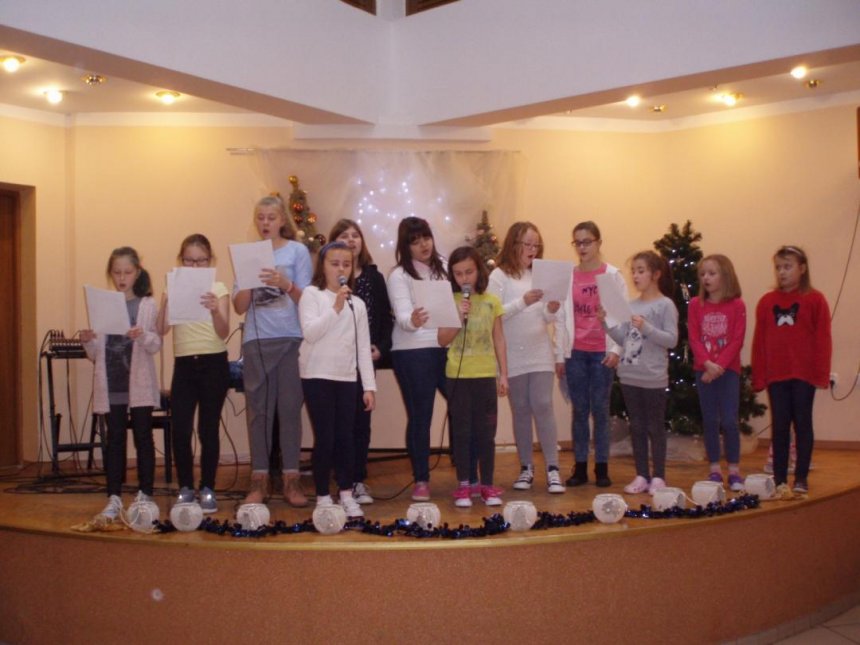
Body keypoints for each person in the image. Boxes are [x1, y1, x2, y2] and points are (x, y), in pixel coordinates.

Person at [233, 195, 312, 507]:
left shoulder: (297, 251)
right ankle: (260, 480)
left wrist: (285, 283)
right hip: (257, 340)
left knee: (290, 410)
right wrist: (249, 282)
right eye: (260, 217)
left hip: (290, 338)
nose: (265, 223)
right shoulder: (248, 253)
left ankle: (292, 480)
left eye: (271, 217)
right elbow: (239, 306)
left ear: (282, 221)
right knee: (259, 412)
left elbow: (308, 300)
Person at [80, 247, 161, 521]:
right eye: (117, 272)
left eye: (127, 272)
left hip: (139, 383)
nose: (122, 278)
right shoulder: (104, 304)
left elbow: (155, 344)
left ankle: (145, 494)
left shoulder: (147, 305)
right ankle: (113, 497)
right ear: (110, 273)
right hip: (112, 382)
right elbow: (96, 354)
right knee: (115, 439)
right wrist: (88, 341)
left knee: (143, 437)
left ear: (137, 272)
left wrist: (142, 335)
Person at [299, 241, 376, 517]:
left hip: (347, 378)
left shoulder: (358, 305)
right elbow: (310, 333)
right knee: (326, 437)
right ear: (323, 266)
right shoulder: (311, 295)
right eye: (335, 264)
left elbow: (362, 348)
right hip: (317, 375)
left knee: (346, 437)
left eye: (346, 264)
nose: (341, 269)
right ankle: (322, 495)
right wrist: (335, 308)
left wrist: (369, 386)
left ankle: (346, 492)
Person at [488, 222, 564, 494]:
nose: (533, 250)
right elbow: (494, 314)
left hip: (539, 349)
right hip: (512, 353)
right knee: (520, 408)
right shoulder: (499, 276)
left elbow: (546, 316)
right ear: (514, 244)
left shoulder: (539, 274)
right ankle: (526, 468)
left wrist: (551, 309)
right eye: (527, 245)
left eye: (536, 245)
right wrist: (524, 301)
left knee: (542, 404)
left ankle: (553, 469)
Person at [156, 234, 230, 512]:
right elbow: (161, 329)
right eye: (189, 261)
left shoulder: (219, 288)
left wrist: (215, 311)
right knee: (181, 427)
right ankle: (185, 487)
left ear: (210, 261)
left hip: (213, 362)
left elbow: (223, 332)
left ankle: (208, 487)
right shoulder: (171, 286)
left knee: (208, 428)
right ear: (181, 261)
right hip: (185, 363)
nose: (195, 266)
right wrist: (167, 301)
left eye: (201, 261)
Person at [751, 245, 831, 496]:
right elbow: (759, 341)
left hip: (803, 375)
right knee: (780, 426)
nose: (782, 272)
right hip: (777, 375)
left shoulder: (815, 300)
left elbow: (823, 339)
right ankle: (779, 479)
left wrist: (821, 373)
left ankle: (801, 477)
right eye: (778, 267)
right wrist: (759, 375)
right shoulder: (767, 302)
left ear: (802, 268)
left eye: (788, 267)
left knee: (803, 423)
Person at [438, 246, 509, 507]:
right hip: (458, 376)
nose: (464, 278)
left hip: (485, 374)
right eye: (458, 274)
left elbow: (499, 339)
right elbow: (442, 339)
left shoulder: (492, 301)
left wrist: (504, 374)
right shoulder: (450, 301)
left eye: (468, 272)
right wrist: (459, 316)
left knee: (486, 432)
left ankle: (487, 485)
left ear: (478, 270)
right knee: (462, 431)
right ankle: (464, 484)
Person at [330, 219, 393, 505]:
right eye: (344, 235)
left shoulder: (373, 277)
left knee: (360, 422)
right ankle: (340, 479)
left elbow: (384, 318)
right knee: (337, 422)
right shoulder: (328, 280)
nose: (351, 240)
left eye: (355, 235)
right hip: (335, 361)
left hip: (364, 360)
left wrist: (381, 347)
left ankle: (357, 479)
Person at [558, 221, 626, 488]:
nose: (582, 247)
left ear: (599, 243)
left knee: (600, 410)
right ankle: (580, 468)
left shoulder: (612, 275)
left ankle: (602, 468)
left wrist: (616, 349)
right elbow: (560, 318)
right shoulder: (568, 277)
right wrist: (560, 355)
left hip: (602, 353)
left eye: (587, 242)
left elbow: (622, 318)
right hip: (576, 352)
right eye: (577, 242)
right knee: (579, 411)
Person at [604, 250, 678, 495]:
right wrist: (605, 322)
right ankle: (641, 475)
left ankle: (659, 477)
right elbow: (624, 338)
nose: (635, 276)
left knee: (655, 427)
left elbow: (671, 339)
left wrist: (646, 328)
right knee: (636, 426)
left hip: (653, 376)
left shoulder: (665, 305)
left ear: (655, 274)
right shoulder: (631, 306)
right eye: (633, 271)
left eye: (641, 271)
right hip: (630, 374)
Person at [387, 216, 450, 502]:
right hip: (412, 352)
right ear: (405, 246)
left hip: (446, 347)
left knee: (462, 406)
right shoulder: (399, 275)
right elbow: (402, 317)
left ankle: (468, 476)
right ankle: (421, 479)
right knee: (421, 416)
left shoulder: (445, 266)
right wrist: (412, 320)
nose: (423, 244)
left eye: (426, 237)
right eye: (415, 241)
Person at [688, 254, 746, 492]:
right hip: (704, 371)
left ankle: (734, 470)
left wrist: (718, 366)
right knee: (710, 420)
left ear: (726, 275)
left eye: (712, 273)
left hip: (728, 371)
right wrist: (707, 364)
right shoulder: (695, 304)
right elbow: (694, 338)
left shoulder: (737, 305)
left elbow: (737, 340)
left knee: (730, 421)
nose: (706, 278)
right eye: (703, 274)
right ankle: (714, 468)